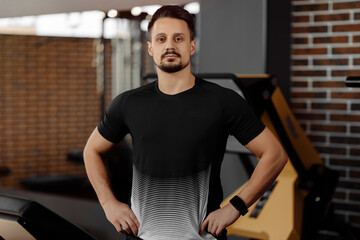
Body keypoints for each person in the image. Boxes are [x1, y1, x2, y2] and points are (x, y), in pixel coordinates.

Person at [83, 5, 288, 240]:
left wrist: (235, 207)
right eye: (161, 39)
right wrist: (109, 203)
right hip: (142, 236)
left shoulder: (222, 101)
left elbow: (275, 154)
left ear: (192, 45)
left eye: (178, 38)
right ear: (150, 48)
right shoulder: (128, 103)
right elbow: (92, 151)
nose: (169, 45)